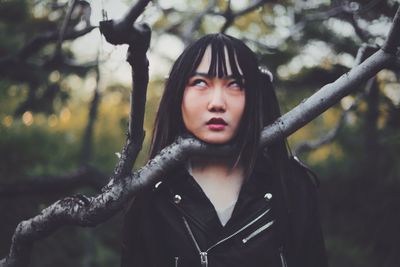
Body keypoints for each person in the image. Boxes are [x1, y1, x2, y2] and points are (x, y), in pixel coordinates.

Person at [121, 33, 327, 267]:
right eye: (200, 83)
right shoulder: (153, 198)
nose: (217, 102)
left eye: (235, 85)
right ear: (177, 94)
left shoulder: (290, 186)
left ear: (254, 96)